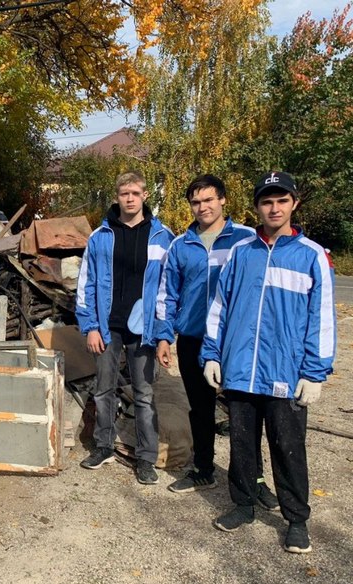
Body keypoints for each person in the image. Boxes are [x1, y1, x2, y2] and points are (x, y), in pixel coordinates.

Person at [200, 171, 335, 553]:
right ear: (257, 207)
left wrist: (315, 371)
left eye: (281, 201)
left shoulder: (311, 256)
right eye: (266, 201)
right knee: (242, 444)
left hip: (286, 373)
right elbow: (219, 308)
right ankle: (243, 505)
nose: (274, 208)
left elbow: (321, 318)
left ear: (293, 204)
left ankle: (296, 519)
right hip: (241, 369)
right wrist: (212, 353)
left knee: (288, 448)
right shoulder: (242, 253)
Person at [154, 175, 278, 508]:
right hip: (194, 339)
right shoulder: (181, 245)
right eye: (196, 202)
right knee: (201, 409)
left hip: (236, 342)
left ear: (223, 200)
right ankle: (204, 468)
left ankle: (255, 479)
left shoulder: (247, 240)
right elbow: (167, 294)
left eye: (209, 200)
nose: (202, 207)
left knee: (245, 413)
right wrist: (165, 336)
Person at [76, 172, 174, 484]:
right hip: (108, 327)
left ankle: (146, 458)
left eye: (135, 192)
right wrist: (91, 326)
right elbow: (86, 285)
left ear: (145, 195)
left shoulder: (162, 236)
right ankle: (103, 446)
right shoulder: (100, 236)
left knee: (144, 393)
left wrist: (163, 334)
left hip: (144, 330)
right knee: (104, 389)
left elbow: (167, 290)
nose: (129, 198)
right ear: (117, 196)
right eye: (123, 193)